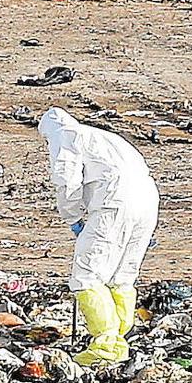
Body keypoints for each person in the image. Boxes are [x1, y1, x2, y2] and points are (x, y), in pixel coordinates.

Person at [38, 107, 160, 367]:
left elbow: (66, 180)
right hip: (147, 202)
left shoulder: (64, 135)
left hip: (114, 202)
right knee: (122, 275)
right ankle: (120, 337)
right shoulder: (106, 138)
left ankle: (107, 344)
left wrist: (72, 217)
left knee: (87, 275)